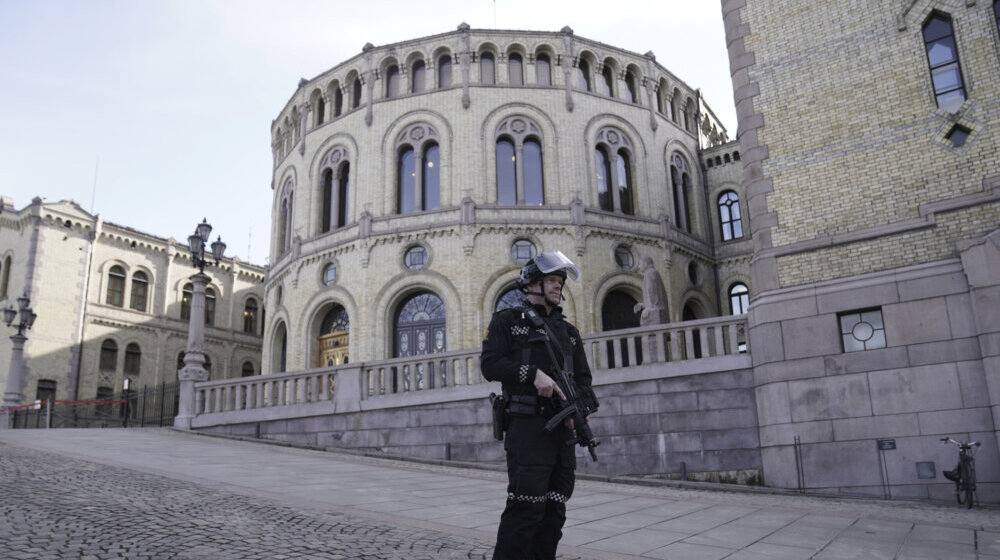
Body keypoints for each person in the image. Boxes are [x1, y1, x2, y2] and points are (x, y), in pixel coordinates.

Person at [481, 250, 599, 560]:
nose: (558, 286)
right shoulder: (507, 321)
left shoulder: (569, 333)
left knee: (554, 512)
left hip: (563, 433)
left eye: (560, 281)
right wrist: (532, 374)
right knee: (525, 510)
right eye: (551, 280)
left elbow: (584, 381)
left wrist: (580, 414)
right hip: (527, 428)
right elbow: (490, 365)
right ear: (532, 283)